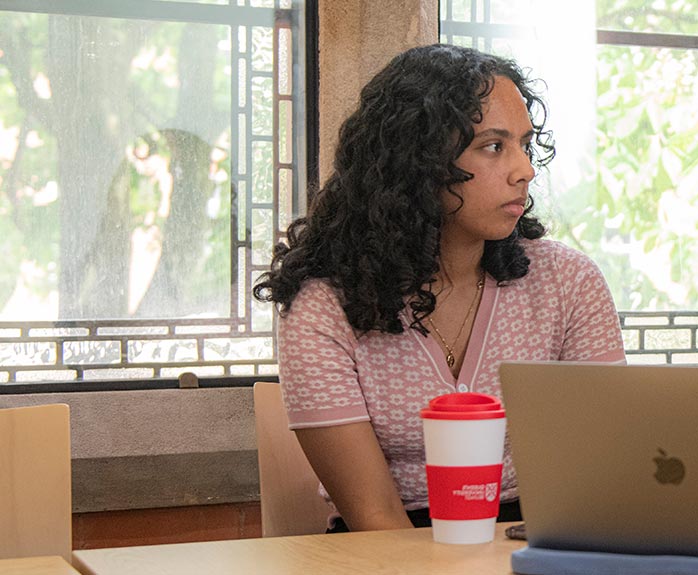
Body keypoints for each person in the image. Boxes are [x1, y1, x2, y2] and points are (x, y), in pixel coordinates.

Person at [253, 44, 624, 532]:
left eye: (525, 145)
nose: (525, 170)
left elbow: (608, 476)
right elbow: (375, 518)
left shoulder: (569, 283)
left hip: (536, 541)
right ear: (418, 161)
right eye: (494, 146)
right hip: (388, 549)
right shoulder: (322, 303)